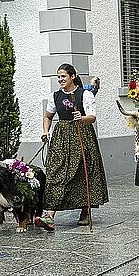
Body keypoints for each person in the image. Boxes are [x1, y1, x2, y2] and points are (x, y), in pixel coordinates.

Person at [35, 64, 109, 230]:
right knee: (57, 173)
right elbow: (48, 116)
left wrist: (82, 118)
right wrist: (45, 132)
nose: (61, 79)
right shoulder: (55, 96)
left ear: (73, 76)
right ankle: (49, 215)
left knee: (83, 173)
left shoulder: (85, 94)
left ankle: (85, 211)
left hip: (82, 135)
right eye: (59, 77)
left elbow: (92, 117)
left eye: (64, 76)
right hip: (61, 136)